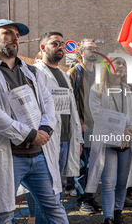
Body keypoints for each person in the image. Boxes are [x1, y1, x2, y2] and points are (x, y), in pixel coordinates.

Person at [0, 19, 68, 224]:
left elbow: (48, 103)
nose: (14, 38)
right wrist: (31, 134)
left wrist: (45, 129)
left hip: (38, 155)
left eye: (17, 34)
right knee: (3, 213)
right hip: (8, 155)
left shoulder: (31, 72)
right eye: (7, 33)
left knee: (53, 207)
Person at [31, 31, 83, 223]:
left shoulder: (63, 74)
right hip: (47, 141)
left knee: (55, 189)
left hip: (65, 140)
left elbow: (72, 109)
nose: (60, 46)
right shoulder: (35, 72)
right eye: (55, 43)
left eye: (62, 43)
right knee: (47, 194)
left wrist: (77, 140)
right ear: (43, 48)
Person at [86, 56, 132, 224]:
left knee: (123, 181)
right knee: (109, 181)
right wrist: (121, 130)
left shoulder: (130, 89)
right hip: (108, 142)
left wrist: (130, 129)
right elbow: (98, 114)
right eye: (118, 62)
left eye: (124, 64)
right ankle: (108, 217)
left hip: (127, 141)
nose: (121, 66)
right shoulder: (97, 89)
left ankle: (118, 211)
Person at [67, 38, 102, 213]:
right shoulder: (75, 72)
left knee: (94, 165)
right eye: (90, 48)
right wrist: (79, 122)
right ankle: (82, 200)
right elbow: (69, 100)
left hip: (98, 125)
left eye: (95, 48)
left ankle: (90, 197)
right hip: (83, 127)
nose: (94, 51)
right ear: (81, 52)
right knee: (82, 165)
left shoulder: (99, 73)